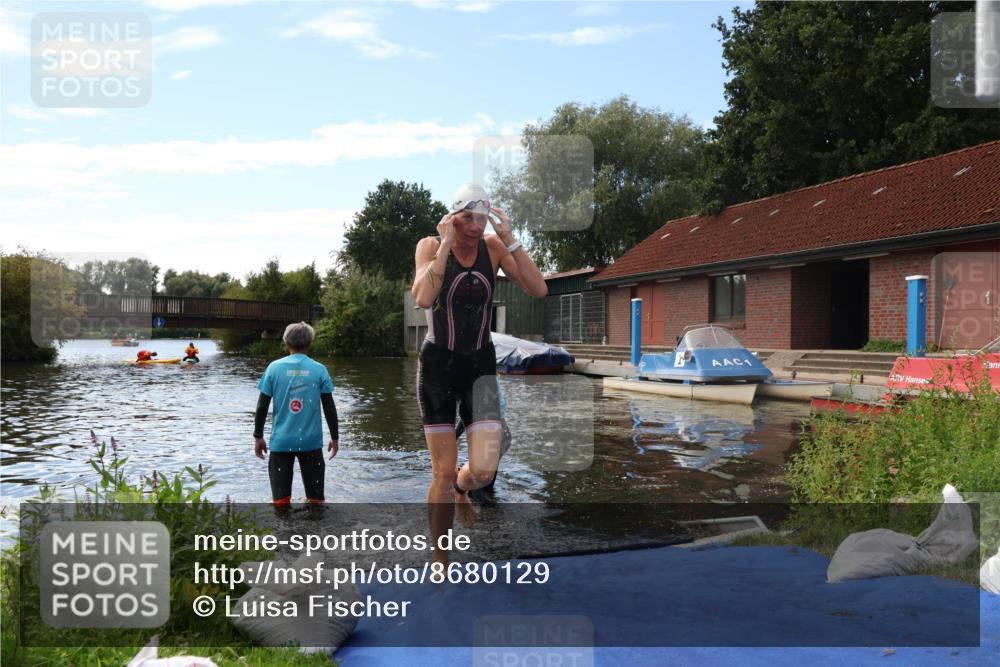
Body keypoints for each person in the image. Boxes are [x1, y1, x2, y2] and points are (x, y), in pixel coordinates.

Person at [411, 183, 547, 566]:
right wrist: (442, 247)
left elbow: (538, 289)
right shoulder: (429, 245)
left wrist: (511, 239)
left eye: (481, 218)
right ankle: (441, 556)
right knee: (439, 470)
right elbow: (423, 297)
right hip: (438, 366)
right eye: (467, 217)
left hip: (479, 366)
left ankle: (461, 487)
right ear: (453, 217)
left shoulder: (493, 248)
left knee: (484, 470)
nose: (474, 225)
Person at [253, 322, 339, 505]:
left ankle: (283, 531)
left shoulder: (274, 368)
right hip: (311, 443)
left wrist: (258, 436)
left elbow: (262, 406)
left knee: (280, 502)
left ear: (286, 343)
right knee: (316, 501)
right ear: (310, 343)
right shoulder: (319, 369)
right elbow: (329, 407)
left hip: (281, 443)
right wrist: (335, 437)